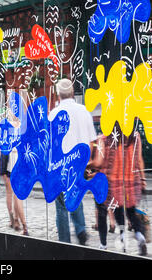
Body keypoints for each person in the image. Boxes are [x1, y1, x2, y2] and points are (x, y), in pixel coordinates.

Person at [48, 78, 97, 245]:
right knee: (75, 197)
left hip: (60, 165)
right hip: (79, 164)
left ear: (58, 95)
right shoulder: (83, 111)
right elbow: (92, 141)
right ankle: (81, 229)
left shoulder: (54, 114)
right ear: (72, 92)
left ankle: (64, 241)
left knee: (61, 205)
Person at [90, 123, 147, 255]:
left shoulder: (105, 138)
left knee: (102, 211)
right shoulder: (135, 137)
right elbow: (139, 160)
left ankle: (103, 245)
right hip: (130, 181)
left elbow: (99, 162)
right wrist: (143, 179)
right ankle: (139, 235)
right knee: (130, 212)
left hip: (109, 182)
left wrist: (86, 166)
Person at [0, 112, 29, 236]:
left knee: (14, 195)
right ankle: (17, 221)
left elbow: (1, 149)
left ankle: (22, 224)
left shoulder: (8, 127)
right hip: (21, 165)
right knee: (17, 196)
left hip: (12, 165)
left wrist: (3, 169)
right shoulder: (23, 128)